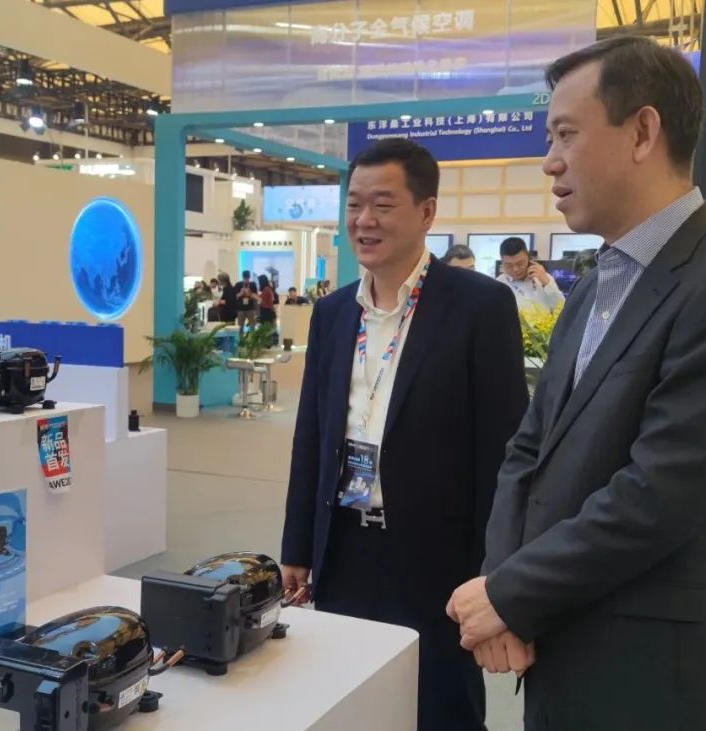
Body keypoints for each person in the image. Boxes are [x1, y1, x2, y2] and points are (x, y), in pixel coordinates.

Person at [447, 36, 706, 731]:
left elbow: (661, 492)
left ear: (642, 132)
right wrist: (502, 584)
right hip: (554, 637)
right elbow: (529, 448)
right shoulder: (591, 288)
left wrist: (512, 592)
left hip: (648, 670)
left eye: (566, 134)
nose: (549, 161)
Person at [281, 138, 528, 731]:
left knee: (440, 706)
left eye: (383, 205)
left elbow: (505, 452)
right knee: (347, 700)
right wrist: (297, 546)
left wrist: (495, 572)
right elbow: (312, 436)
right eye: (354, 205)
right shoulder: (333, 313)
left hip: (438, 560)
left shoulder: (480, 306)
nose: (364, 220)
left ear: (426, 212)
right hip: (343, 545)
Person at [497, 237, 565, 312]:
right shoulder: (499, 284)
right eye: (509, 265)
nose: (515, 269)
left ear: (528, 258)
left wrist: (547, 283)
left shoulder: (543, 277)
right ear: (502, 262)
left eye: (520, 263)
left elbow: (563, 308)